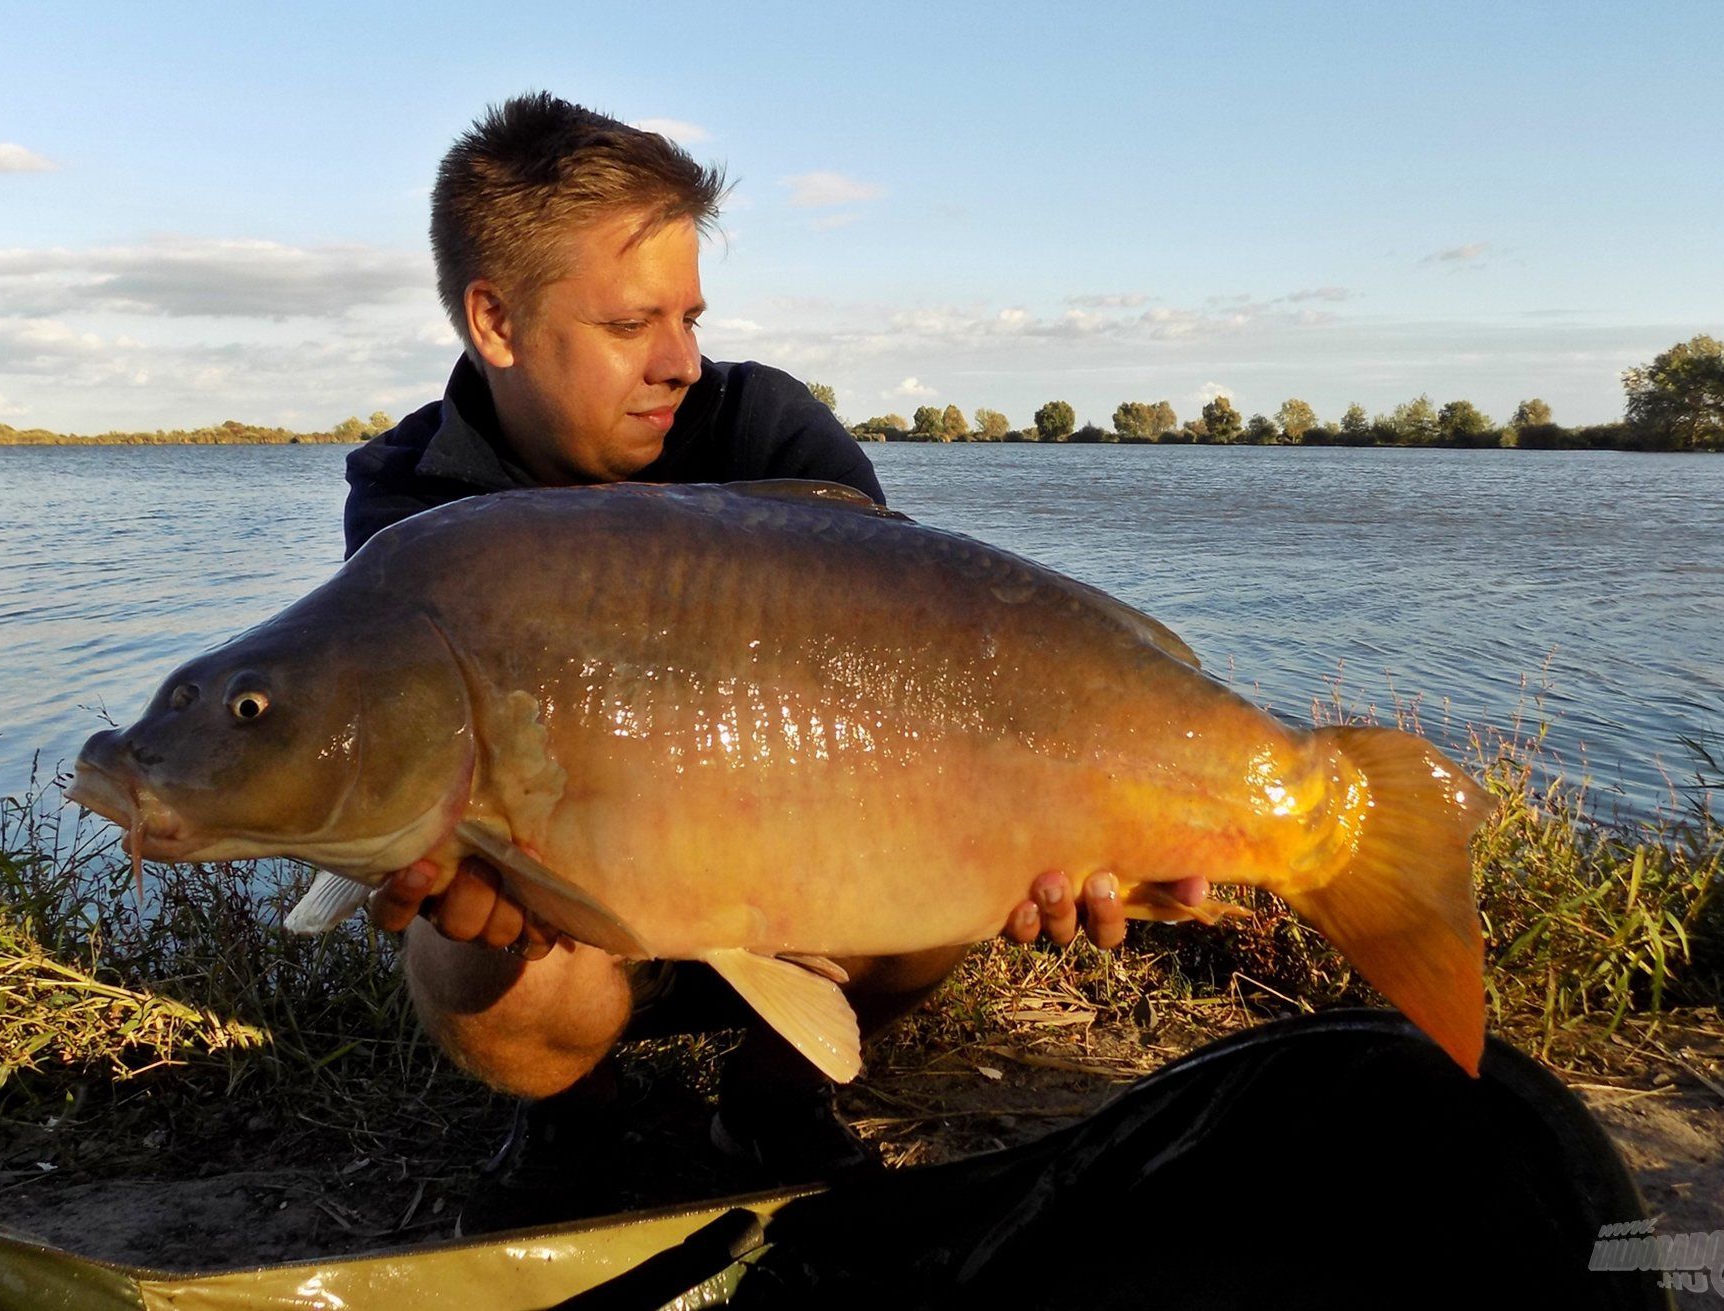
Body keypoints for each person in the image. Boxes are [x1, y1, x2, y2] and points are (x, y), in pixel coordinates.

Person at [342, 93, 1205, 1204]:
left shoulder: (767, 430)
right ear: (496, 322)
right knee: (466, 915)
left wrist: (1089, 833)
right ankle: (576, 1117)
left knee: (951, 804)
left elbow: (927, 679)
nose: (681, 362)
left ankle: (773, 1096)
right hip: (576, 919)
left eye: (690, 318)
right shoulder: (416, 510)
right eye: (628, 326)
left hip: (797, 886)